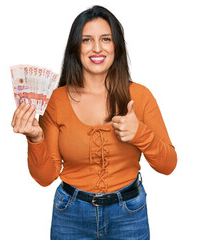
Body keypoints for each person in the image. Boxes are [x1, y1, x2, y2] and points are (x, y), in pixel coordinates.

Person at [11, 5, 177, 240]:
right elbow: (45, 177)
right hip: (70, 215)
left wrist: (140, 133)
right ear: (75, 48)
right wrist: (35, 138)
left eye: (105, 39)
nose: (97, 48)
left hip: (129, 214)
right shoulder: (57, 100)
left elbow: (168, 165)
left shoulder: (140, 96)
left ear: (116, 46)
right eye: (86, 40)